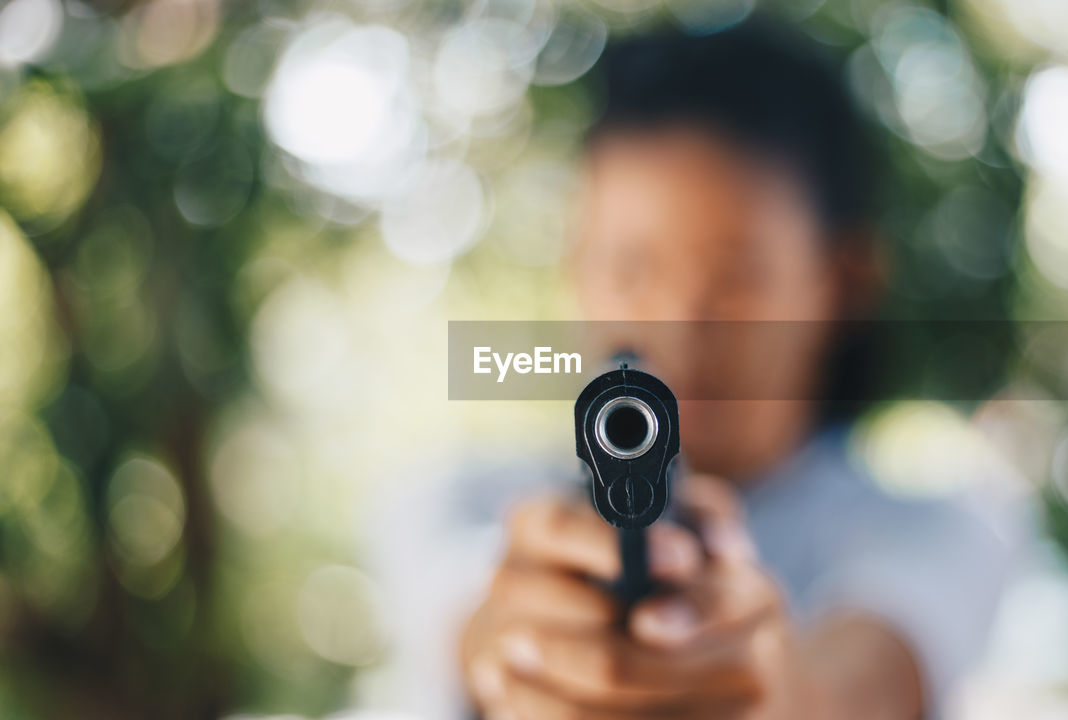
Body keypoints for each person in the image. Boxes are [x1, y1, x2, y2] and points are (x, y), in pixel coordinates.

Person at [371, 21, 1023, 720]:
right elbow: (466, 619)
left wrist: (772, 690)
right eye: (630, 268)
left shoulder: (948, 524)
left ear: (842, 281)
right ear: (576, 270)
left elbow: (867, 679)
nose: (679, 323)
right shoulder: (455, 501)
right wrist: (521, 642)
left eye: (736, 274)